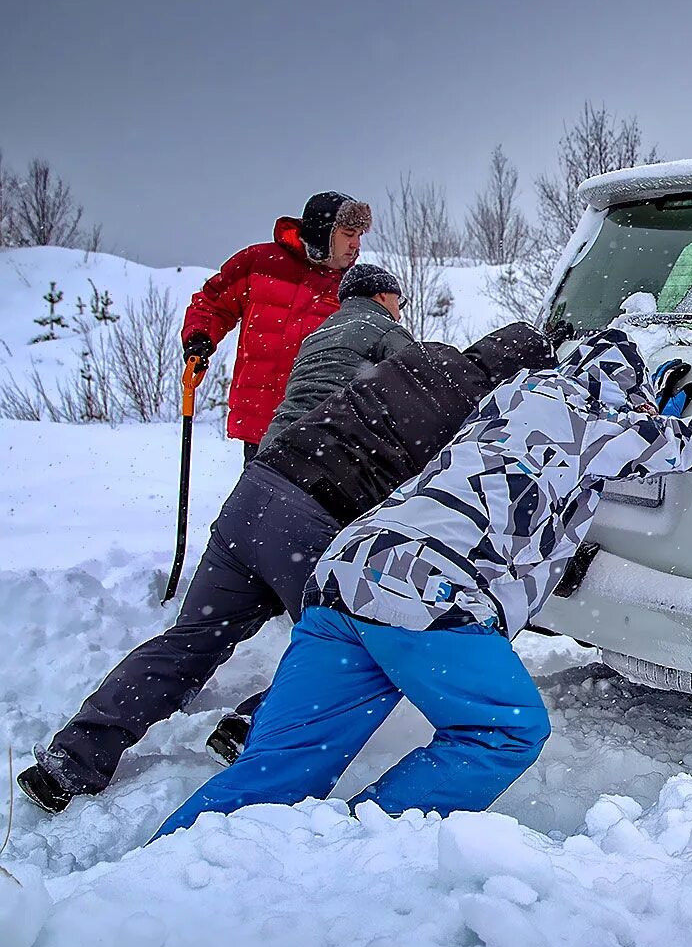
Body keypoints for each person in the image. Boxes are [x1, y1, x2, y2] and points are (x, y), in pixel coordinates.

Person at [153, 328, 692, 838]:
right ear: (617, 390)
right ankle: (355, 846)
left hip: (348, 571)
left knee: (277, 769)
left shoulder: (508, 402)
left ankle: (162, 881)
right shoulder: (594, 420)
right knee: (507, 728)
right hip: (428, 592)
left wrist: (642, 420)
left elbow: (562, 474)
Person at [17, 324, 558, 814]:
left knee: (192, 638)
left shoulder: (416, 358)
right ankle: (251, 730)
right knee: (349, 644)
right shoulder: (488, 412)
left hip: (258, 491)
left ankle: (71, 758)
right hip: (318, 517)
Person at [181, 191, 371, 460]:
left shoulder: (352, 288)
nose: (356, 244)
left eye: (359, 236)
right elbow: (212, 303)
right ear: (323, 232)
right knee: (261, 499)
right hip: (262, 418)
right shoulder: (259, 263)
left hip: (322, 423)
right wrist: (200, 338)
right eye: (349, 233)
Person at [259, 263, 414, 449]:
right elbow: (419, 383)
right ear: (383, 295)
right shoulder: (385, 327)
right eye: (399, 301)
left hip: (276, 441)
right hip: (332, 442)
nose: (399, 315)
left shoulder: (315, 336)